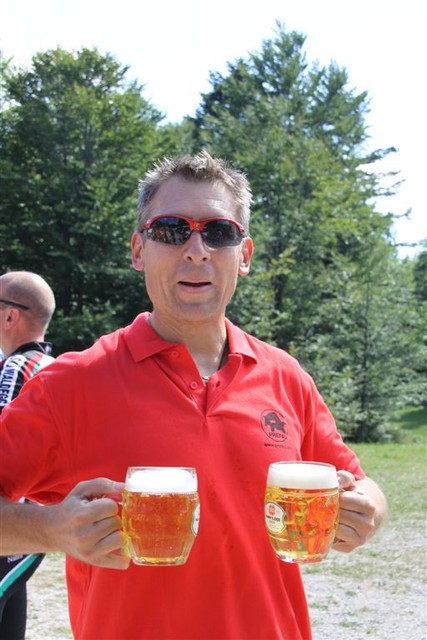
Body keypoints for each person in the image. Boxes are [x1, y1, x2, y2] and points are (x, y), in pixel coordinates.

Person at [0, 152, 387, 640]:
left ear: (244, 256)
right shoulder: (72, 383)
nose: (197, 250)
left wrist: (367, 510)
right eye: (171, 230)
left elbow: (362, 484)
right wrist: (53, 529)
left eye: (219, 232)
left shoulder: (285, 376)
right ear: (138, 250)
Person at [0, 270, 56, 640]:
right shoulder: (54, 366)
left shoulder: (17, 367)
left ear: (10, 316)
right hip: (30, 531)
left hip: (12, 522)